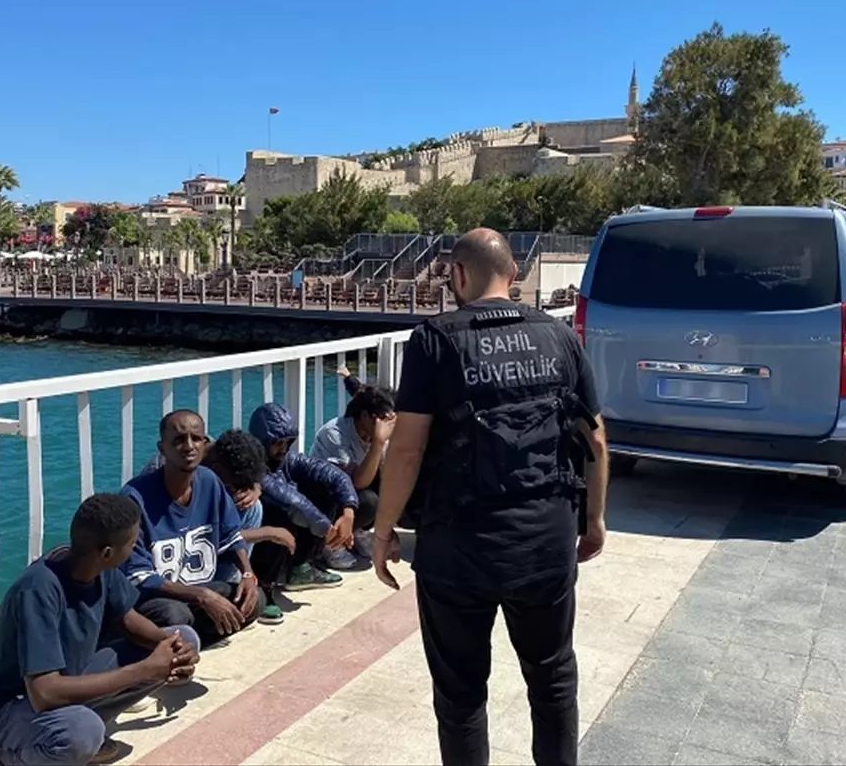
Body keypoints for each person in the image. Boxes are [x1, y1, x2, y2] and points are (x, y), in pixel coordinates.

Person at [372, 228, 610, 766]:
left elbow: (406, 450)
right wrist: (594, 519)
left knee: (460, 695)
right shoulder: (559, 335)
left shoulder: (434, 340)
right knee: (552, 678)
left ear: (457, 275)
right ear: (515, 274)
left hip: (457, 548)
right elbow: (595, 439)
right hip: (545, 540)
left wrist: (383, 531)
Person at [0, 494, 201, 766]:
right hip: (2, 709)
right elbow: (45, 693)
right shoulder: (38, 590)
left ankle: (74, 727)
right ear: (108, 552)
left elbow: (128, 620)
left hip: (66, 682)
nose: (136, 546)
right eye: (132, 543)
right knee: (82, 732)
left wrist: (171, 647)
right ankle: (1, 759)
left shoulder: (98, 567)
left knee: (184, 638)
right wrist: (145, 670)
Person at [122, 410, 267, 642]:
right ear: (162, 448)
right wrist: (203, 596)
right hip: (155, 596)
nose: (189, 446)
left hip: (198, 588)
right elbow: (138, 575)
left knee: (254, 599)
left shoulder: (209, 481)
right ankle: (182, 639)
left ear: (205, 443)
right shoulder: (134, 497)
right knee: (175, 615)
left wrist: (248, 574)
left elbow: (231, 536)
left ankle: (195, 637)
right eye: (178, 440)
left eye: (196, 439)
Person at [247, 402, 371, 587]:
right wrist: (330, 531)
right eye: (278, 443)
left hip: (289, 537)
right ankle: (265, 583)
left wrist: (348, 511)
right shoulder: (252, 469)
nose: (284, 448)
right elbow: (290, 501)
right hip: (260, 543)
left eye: (288, 442)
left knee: (325, 487)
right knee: (280, 513)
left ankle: (301, 567)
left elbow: (333, 474)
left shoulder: (289, 460)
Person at [202, 428, 300, 625]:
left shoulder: (219, 453)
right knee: (266, 527)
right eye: (232, 485)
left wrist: (255, 486)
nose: (234, 489)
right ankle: (227, 590)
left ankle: (241, 583)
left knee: (254, 506)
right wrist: (267, 533)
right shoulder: (183, 472)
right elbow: (203, 534)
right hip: (187, 552)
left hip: (216, 541)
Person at [310, 381, 396, 559]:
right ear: (365, 416)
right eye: (383, 419)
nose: (387, 426)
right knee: (369, 502)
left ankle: (356, 532)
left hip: (353, 491)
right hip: (328, 498)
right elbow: (357, 482)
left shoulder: (374, 434)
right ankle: (331, 544)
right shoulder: (335, 434)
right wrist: (378, 443)